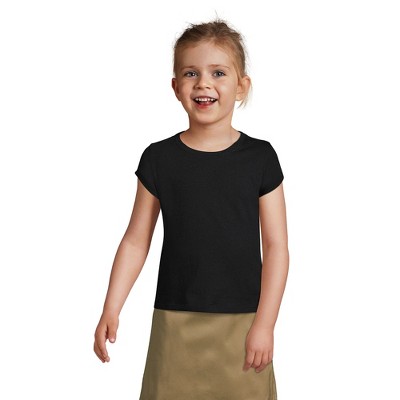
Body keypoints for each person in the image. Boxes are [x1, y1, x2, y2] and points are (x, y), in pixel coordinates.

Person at [94, 18, 289, 400]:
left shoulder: (261, 158)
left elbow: (277, 247)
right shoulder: (159, 159)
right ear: (176, 87)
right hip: (174, 320)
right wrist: (110, 308)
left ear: (241, 86)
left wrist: (265, 324)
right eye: (191, 73)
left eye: (218, 72)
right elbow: (136, 241)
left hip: (243, 322)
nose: (203, 83)